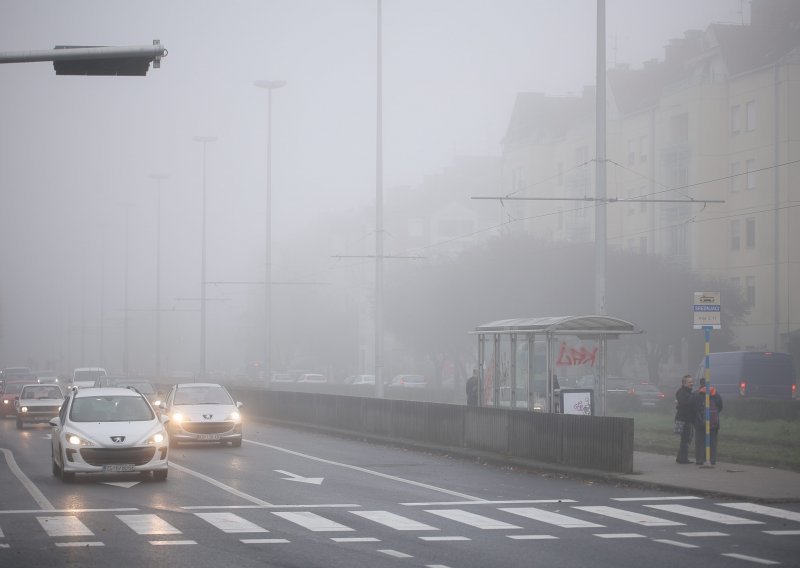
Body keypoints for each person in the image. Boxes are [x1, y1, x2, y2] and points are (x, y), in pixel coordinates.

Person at [691, 377, 723, 466]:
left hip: (700, 422)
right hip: (713, 423)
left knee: (700, 441)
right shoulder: (715, 393)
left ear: (700, 384)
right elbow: (720, 407)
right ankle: (712, 460)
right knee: (712, 441)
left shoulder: (696, 394)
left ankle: (700, 460)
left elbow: (692, 408)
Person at [674, 374, 695, 464]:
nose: (691, 383)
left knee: (684, 439)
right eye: (689, 382)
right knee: (685, 439)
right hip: (683, 419)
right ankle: (684, 459)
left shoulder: (688, 392)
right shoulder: (682, 392)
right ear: (684, 383)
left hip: (686, 418)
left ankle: (680, 458)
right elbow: (684, 404)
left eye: (692, 382)